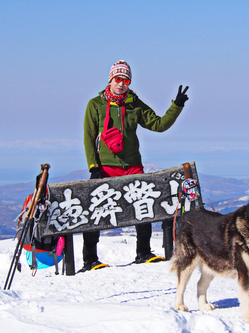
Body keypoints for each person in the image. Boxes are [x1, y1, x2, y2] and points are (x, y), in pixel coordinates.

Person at [80, 59, 189, 272]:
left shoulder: (134, 103)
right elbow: (88, 137)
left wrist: (177, 106)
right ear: (111, 79)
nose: (121, 84)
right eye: (118, 79)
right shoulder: (96, 104)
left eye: (126, 80)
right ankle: (90, 260)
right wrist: (94, 166)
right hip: (105, 166)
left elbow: (158, 125)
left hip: (132, 165)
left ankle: (143, 252)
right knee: (97, 210)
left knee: (143, 205)